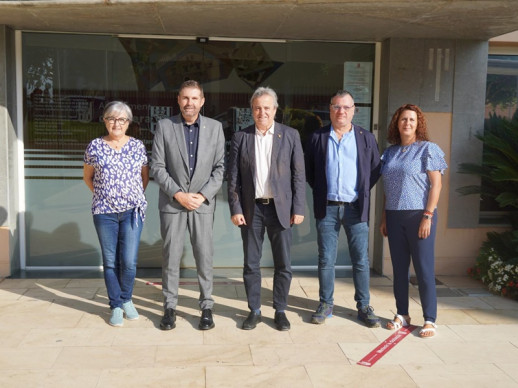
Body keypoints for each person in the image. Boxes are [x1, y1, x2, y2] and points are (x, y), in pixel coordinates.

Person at [227, 86, 306, 331]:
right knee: (251, 263)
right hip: (252, 210)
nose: (263, 112)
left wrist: (299, 207)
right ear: (252, 110)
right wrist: (235, 207)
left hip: (280, 209)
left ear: (275, 109)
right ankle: (255, 310)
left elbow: (298, 175)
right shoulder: (241, 137)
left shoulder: (290, 135)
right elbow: (233, 178)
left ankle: (280, 310)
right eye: (258, 108)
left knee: (283, 264)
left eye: (267, 108)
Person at [150, 80, 225, 331]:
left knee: (204, 256)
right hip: (173, 204)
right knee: (171, 256)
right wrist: (178, 194)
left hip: (202, 205)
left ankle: (206, 307)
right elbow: (157, 167)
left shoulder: (215, 128)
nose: (189, 103)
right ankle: (169, 307)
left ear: (202, 101)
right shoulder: (164, 126)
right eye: (185, 98)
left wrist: (202, 195)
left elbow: (220, 168)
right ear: (178, 100)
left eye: (194, 98)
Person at [305, 90, 381, 327]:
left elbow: (375, 170)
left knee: (360, 260)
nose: (341, 112)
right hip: (327, 207)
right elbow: (310, 171)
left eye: (346, 107)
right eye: (337, 107)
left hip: (356, 208)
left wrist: (361, 191)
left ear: (353, 110)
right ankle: (326, 303)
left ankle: (364, 306)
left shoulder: (365, 138)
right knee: (326, 259)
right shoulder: (317, 136)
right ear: (330, 109)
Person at [380, 103, 447, 338]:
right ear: (396, 124)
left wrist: (428, 216)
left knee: (423, 269)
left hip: (420, 215)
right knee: (399, 269)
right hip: (394, 215)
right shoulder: (389, 153)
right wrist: (384, 217)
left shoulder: (428, 149)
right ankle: (402, 314)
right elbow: (387, 188)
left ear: (418, 124)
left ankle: (430, 319)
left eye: (411, 120)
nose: (407, 123)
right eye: (402, 119)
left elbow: (436, 185)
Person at [83, 101, 149, 327]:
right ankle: (116, 305)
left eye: (121, 119)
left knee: (129, 261)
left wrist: (131, 196)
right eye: (111, 118)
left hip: (132, 211)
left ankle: (127, 299)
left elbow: (144, 178)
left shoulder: (138, 146)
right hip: (104, 213)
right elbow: (87, 177)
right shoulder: (94, 146)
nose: (116, 123)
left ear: (128, 123)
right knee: (111, 262)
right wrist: (104, 195)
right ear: (104, 121)